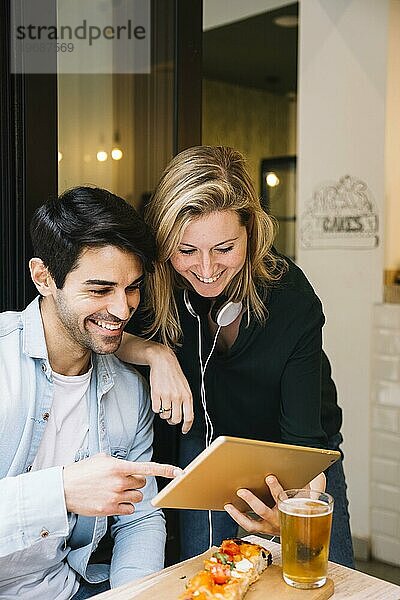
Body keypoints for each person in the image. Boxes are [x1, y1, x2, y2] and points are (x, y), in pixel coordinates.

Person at [120, 146, 354, 568]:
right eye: (186, 250)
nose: (206, 269)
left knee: (323, 582)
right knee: (202, 581)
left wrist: (287, 512)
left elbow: (303, 439)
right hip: (206, 452)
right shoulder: (156, 288)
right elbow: (99, 332)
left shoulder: (290, 298)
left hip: (298, 453)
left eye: (224, 248)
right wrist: (154, 353)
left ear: (251, 231)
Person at [0, 186, 182, 600]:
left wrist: (131, 596)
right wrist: (62, 491)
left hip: (68, 589)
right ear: (43, 277)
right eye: (100, 290)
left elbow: (139, 519)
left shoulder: (129, 391)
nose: (122, 310)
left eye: (132, 287)